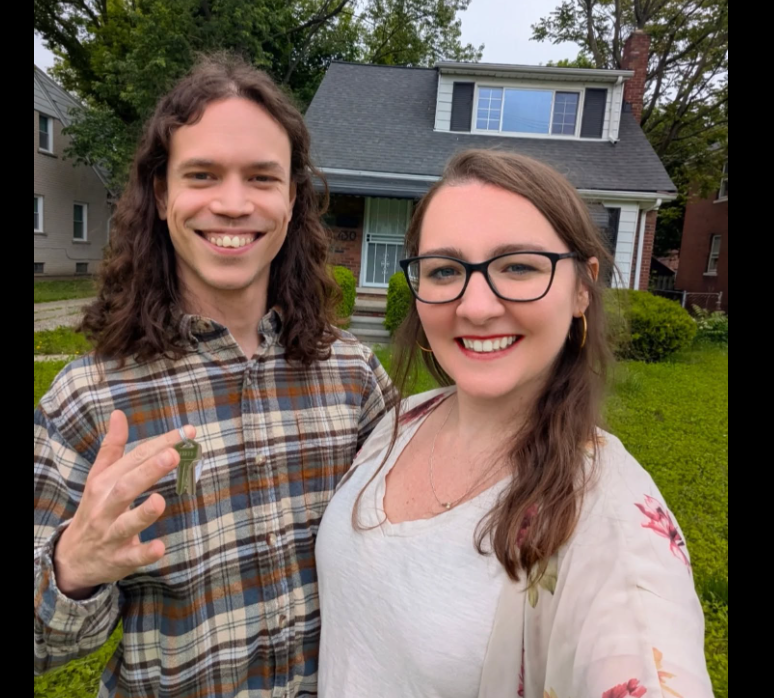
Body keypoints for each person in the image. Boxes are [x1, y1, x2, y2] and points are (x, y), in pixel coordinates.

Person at [34, 55, 396, 698]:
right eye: (202, 175)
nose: (233, 205)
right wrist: (72, 566)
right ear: (163, 193)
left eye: (262, 177)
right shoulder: (88, 401)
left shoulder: (355, 378)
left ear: (291, 198)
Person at [316, 150, 714, 698]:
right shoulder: (403, 419)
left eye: (519, 266)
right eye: (444, 270)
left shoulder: (613, 529)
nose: (476, 306)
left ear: (582, 288)